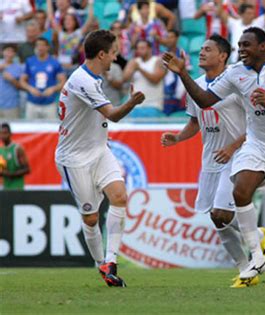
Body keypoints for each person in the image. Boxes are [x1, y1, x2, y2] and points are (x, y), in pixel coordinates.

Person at [163, 27, 265, 283]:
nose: (241, 49)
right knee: (240, 191)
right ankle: (256, 257)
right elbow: (205, 100)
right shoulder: (235, 73)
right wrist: (183, 73)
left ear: (263, 47)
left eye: (246, 45)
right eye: (239, 45)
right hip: (256, 145)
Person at [161, 34, 265, 288]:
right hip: (211, 158)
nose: (201, 53)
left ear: (222, 55)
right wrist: (177, 138)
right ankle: (246, 270)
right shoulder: (196, 85)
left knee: (222, 212)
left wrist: (233, 146)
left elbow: (257, 121)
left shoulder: (235, 82)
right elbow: (195, 122)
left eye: (208, 49)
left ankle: (256, 240)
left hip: (239, 154)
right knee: (217, 218)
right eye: (200, 49)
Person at [54, 30, 145, 287]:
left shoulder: (93, 78)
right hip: (74, 158)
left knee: (120, 197)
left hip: (99, 150)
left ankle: (111, 261)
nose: (116, 57)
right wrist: (132, 102)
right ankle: (100, 265)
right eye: (114, 52)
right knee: (91, 219)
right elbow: (113, 115)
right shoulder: (82, 80)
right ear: (102, 54)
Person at [20, 38, 66, 120]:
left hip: (49, 103)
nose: (40, 48)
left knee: (50, 130)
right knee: (30, 129)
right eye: (38, 45)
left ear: (47, 47)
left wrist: (53, 89)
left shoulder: (54, 62)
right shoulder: (30, 61)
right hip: (32, 103)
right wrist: (30, 89)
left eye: (42, 45)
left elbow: (63, 81)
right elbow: (22, 81)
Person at [123, 39, 166, 112]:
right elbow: (124, 79)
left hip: (153, 105)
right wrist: (132, 69)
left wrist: (139, 68)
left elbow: (156, 80)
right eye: (138, 48)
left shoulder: (158, 61)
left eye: (142, 48)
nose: (139, 50)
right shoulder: (133, 61)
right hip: (134, 106)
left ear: (150, 49)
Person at [0, 123, 30, 190]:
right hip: (5, 188)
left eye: (5, 133)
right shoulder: (1, 150)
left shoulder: (17, 149)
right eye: (1, 133)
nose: (2, 136)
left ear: (10, 134)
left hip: (17, 188)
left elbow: (27, 169)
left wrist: (11, 174)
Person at [0, 45, 23, 119]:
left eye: (11, 51)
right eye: (7, 51)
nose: (9, 54)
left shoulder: (18, 67)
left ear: (14, 54)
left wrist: (12, 80)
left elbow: (21, 87)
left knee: (12, 128)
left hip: (12, 105)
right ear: (2, 52)